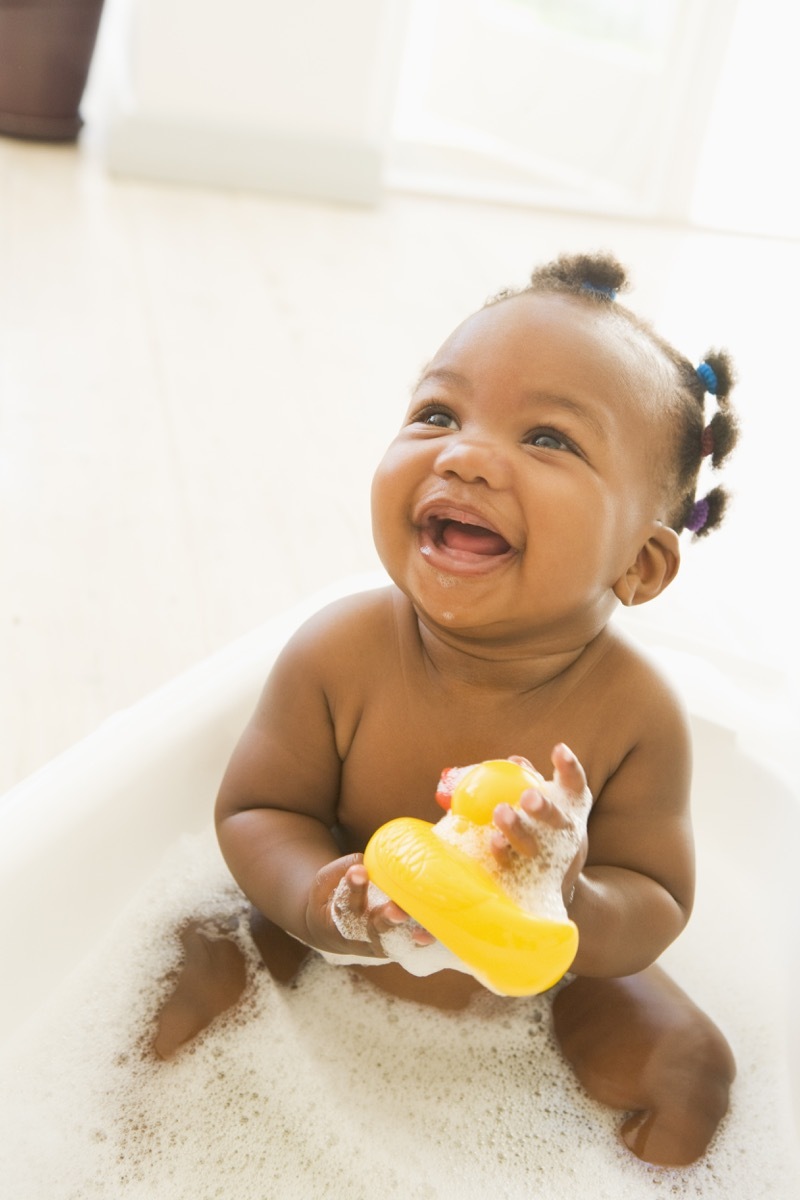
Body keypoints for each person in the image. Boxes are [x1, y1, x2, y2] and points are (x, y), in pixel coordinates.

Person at [157, 251, 738, 1167]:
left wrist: (571, 891)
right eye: (437, 414)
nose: (464, 453)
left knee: (694, 1071)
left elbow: (658, 899)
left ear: (641, 564)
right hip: (330, 945)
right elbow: (259, 810)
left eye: (548, 439)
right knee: (184, 959)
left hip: (546, 981)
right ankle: (146, 1157)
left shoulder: (635, 714)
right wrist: (321, 899)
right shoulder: (339, 653)